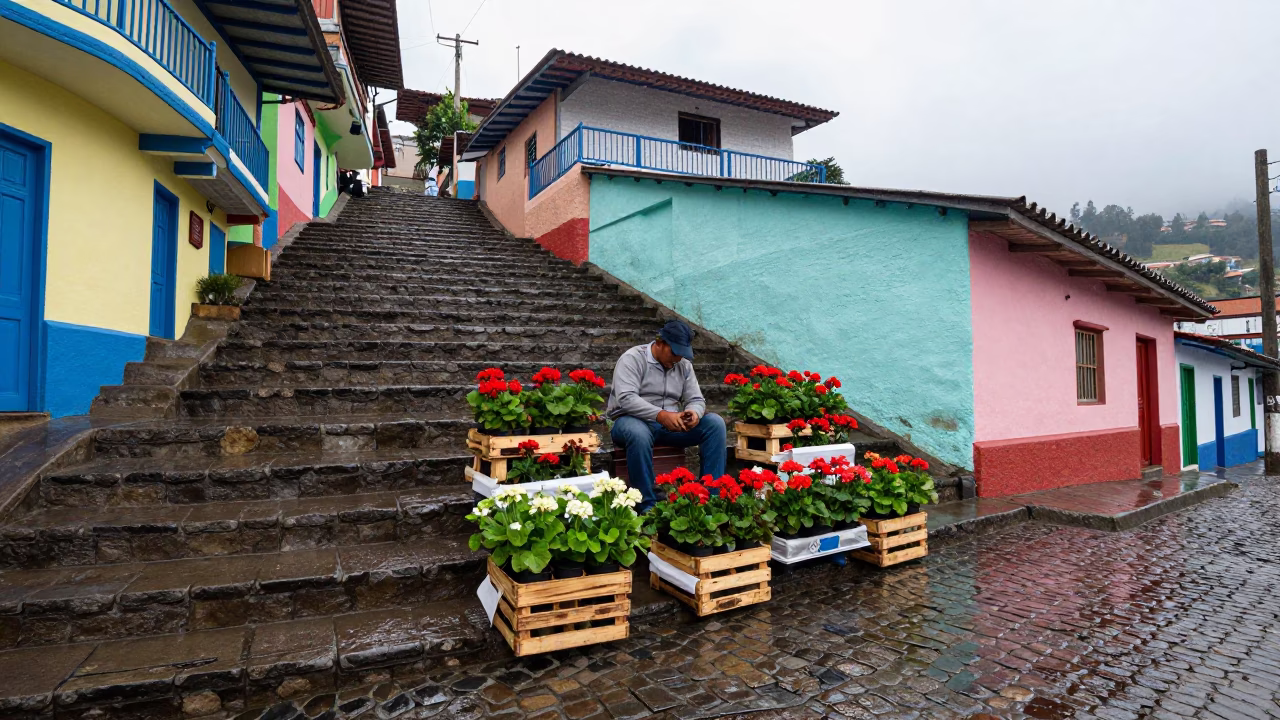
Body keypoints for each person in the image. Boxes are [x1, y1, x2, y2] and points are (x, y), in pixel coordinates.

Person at [606, 319, 727, 512]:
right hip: (629, 421)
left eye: (682, 354)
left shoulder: (684, 366)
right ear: (660, 342)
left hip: (669, 426)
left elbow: (696, 399)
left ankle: (711, 501)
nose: (678, 358)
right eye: (674, 352)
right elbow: (626, 398)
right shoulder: (632, 359)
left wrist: (693, 413)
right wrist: (661, 415)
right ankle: (647, 507)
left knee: (715, 423)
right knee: (638, 432)